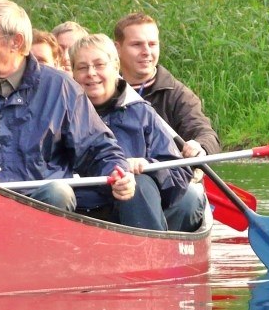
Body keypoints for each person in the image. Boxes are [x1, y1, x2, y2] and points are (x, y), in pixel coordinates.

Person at [0, 0, 135, 212]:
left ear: (16, 41)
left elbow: (97, 148)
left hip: (42, 207)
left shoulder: (60, 88)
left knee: (58, 192)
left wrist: (119, 173)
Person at [69, 34, 194, 231]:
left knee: (139, 183)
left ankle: (150, 256)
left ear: (115, 67)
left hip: (132, 208)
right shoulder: (61, 114)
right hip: (79, 210)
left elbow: (178, 176)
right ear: (73, 73)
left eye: (99, 65)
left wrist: (148, 167)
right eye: (83, 67)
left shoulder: (141, 112)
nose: (91, 73)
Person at [114, 12, 220, 231]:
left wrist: (201, 147)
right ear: (117, 48)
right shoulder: (102, 88)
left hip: (170, 185)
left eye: (152, 44)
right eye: (137, 45)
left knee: (189, 199)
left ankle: (156, 246)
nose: (146, 52)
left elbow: (205, 133)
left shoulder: (177, 94)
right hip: (119, 184)